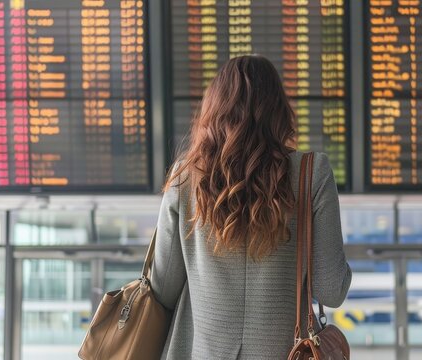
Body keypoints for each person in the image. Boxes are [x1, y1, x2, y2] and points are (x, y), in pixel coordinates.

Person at [150, 55, 352, 359]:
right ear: (279, 110)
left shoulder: (186, 176)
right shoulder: (312, 173)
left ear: (213, 110)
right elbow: (332, 291)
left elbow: (163, 288)